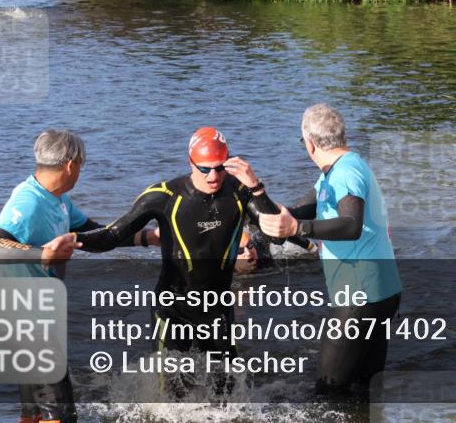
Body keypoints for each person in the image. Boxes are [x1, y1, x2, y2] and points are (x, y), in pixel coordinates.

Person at [74, 127, 294, 398]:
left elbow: (277, 234)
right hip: (172, 309)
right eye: (204, 169)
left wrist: (256, 187)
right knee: (173, 399)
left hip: (218, 309)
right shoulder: (164, 195)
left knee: (226, 396)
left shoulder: (239, 191)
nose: (213, 176)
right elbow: (112, 235)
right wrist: (75, 240)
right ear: (191, 162)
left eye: (220, 168)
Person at [0, 129, 160, 423]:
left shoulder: (58, 198)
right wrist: (41, 254)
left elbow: (94, 234)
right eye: (81, 165)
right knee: (61, 414)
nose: (80, 171)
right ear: (70, 164)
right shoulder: (28, 202)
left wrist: (146, 237)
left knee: (34, 410)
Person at [260, 104, 401, 397]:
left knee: (328, 394)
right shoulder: (340, 169)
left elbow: (351, 224)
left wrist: (299, 228)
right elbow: (295, 211)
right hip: (382, 293)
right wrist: (255, 190)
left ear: (309, 144)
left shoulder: (344, 174)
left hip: (359, 297)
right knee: (364, 391)